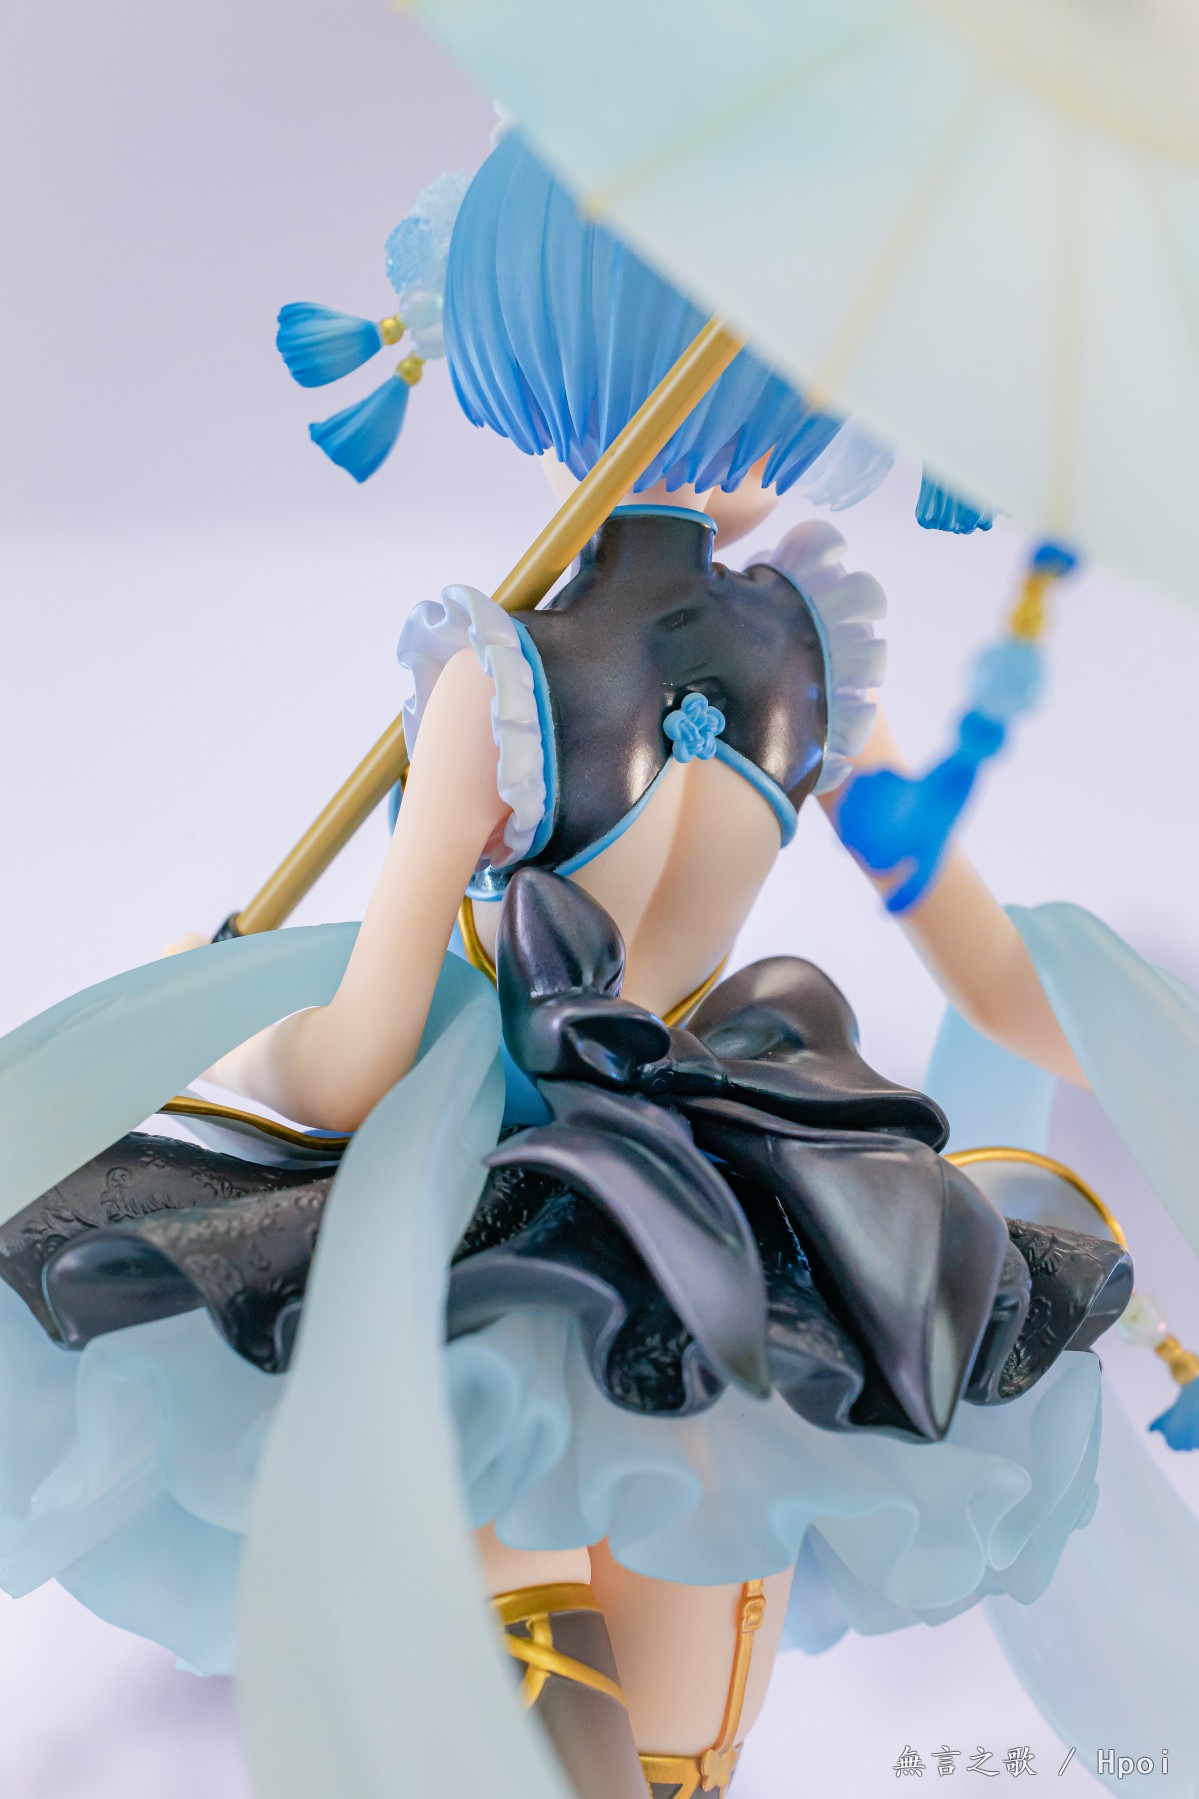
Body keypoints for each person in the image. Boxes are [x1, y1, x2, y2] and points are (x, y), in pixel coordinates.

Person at [0, 129, 1188, 1799]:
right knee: (681, 1746)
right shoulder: (814, 665)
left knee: (531, 1720)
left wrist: (214, 1038)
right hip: (776, 1232)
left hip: (521, 1234)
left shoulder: (501, 679)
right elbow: (998, 987)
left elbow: (355, 1059)